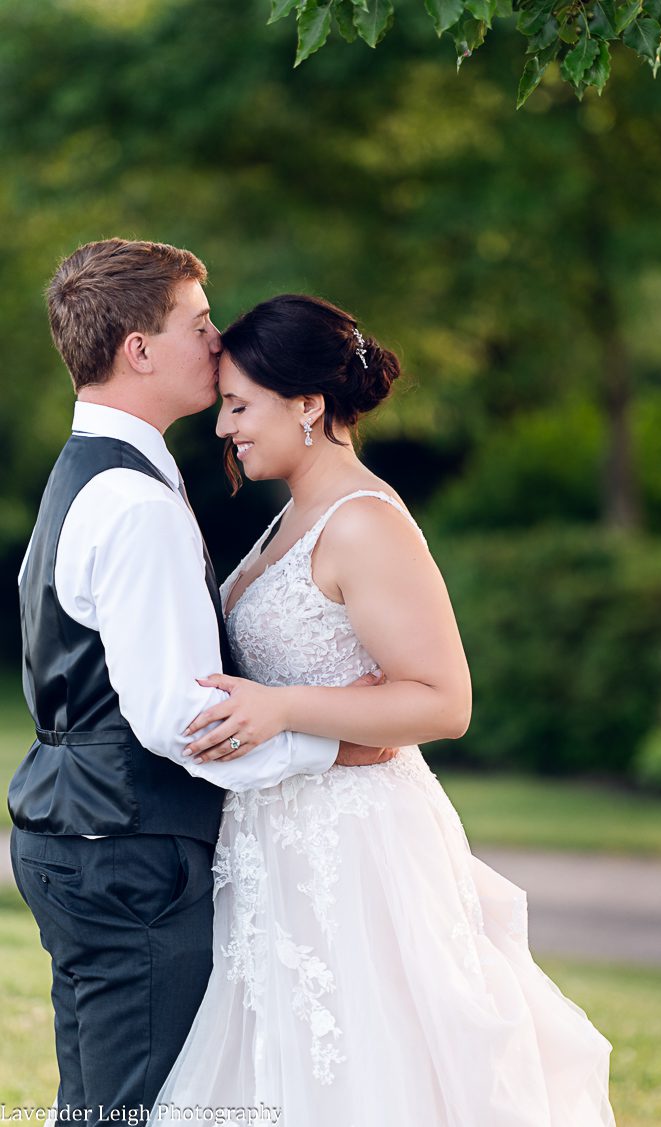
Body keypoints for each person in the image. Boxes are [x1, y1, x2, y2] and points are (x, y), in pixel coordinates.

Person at [151, 293, 617, 1125]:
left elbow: (444, 700)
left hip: (357, 847)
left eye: (238, 405)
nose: (223, 427)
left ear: (308, 405)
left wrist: (283, 705)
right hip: (275, 837)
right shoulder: (289, 517)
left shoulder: (364, 522)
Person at [8, 240, 390, 1125]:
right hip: (127, 848)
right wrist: (336, 743)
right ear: (139, 350)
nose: (218, 343)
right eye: (198, 323)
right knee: (135, 1109)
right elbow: (179, 719)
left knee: (103, 1106)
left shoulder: (90, 476)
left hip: (83, 830)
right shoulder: (135, 502)